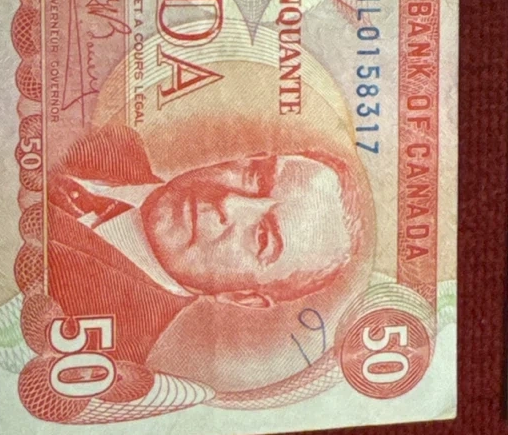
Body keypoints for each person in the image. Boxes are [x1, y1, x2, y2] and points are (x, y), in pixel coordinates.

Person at [46, 122, 371, 383]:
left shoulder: (107, 348)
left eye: (262, 236)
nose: (229, 202)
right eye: (256, 177)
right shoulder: (111, 142)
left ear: (243, 297)